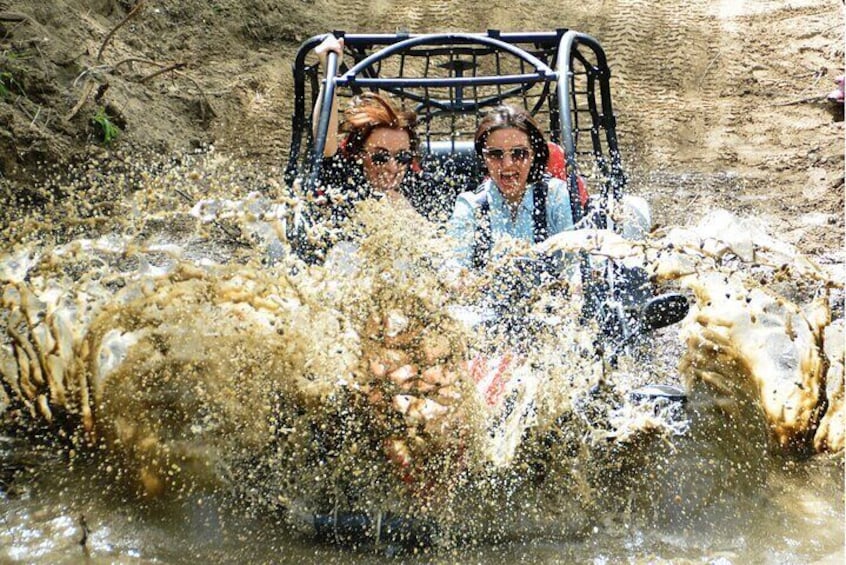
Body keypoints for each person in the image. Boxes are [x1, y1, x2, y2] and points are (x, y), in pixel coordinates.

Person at [310, 34, 434, 224]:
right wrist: (330, 74)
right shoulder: (345, 180)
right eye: (379, 157)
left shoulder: (418, 184)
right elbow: (325, 142)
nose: (393, 167)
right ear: (358, 154)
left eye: (402, 157)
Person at [447, 105, 575, 271]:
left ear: (534, 154)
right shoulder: (471, 205)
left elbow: (574, 263)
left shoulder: (555, 196)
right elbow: (453, 264)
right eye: (495, 154)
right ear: (483, 158)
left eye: (519, 153)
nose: (507, 164)